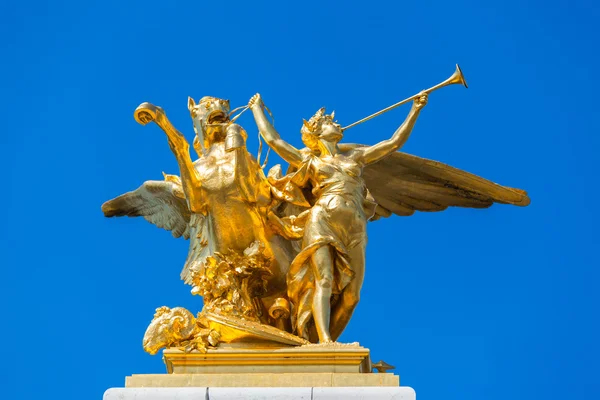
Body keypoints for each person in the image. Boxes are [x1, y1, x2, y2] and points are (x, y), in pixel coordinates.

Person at [249, 91, 428, 342]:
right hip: (322, 220)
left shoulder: (356, 157)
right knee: (323, 280)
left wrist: (415, 110)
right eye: (330, 122)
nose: (337, 123)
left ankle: (321, 339)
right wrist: (257, 108)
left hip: (354, 225)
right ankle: (325, 342)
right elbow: (274, 141)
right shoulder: (308, 160)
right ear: (317, 132)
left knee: (352, 295)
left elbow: (393, 143)